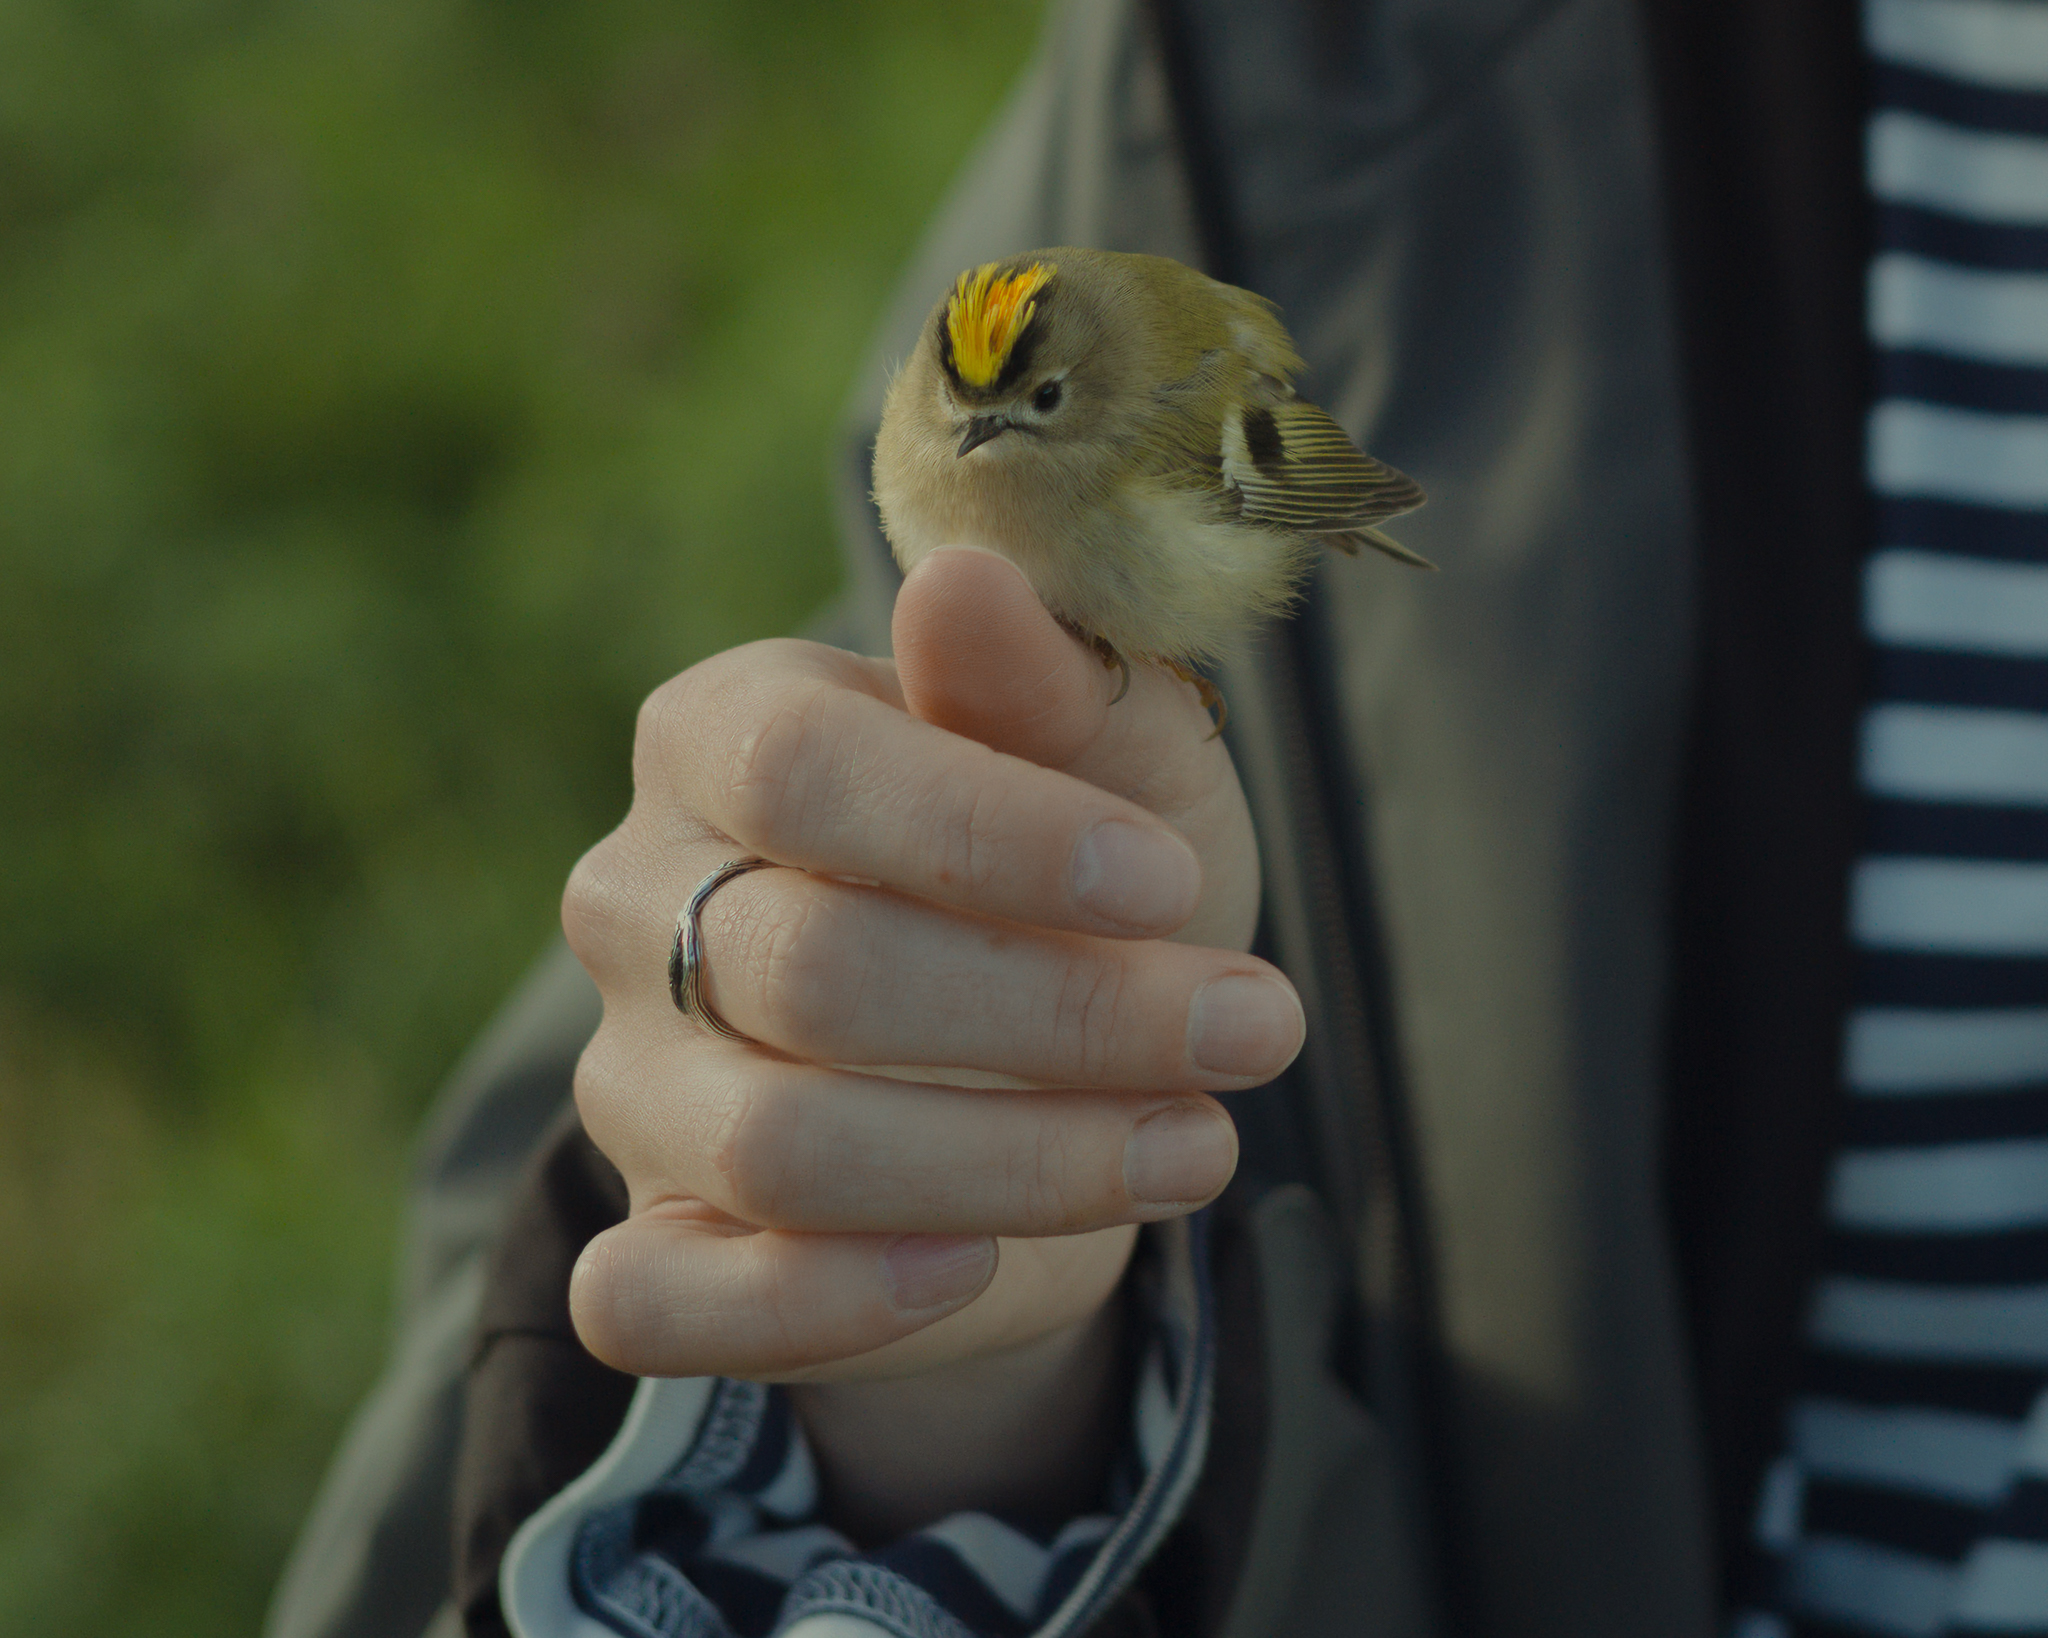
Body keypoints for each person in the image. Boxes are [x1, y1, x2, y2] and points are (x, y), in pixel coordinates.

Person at [262, 0, 2048, 1634]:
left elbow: (1271, 478)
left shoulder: (1175, 403)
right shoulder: (1273, 70)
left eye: (1037, 417)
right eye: (961, 424)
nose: (989, 456)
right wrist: (915, 1293)